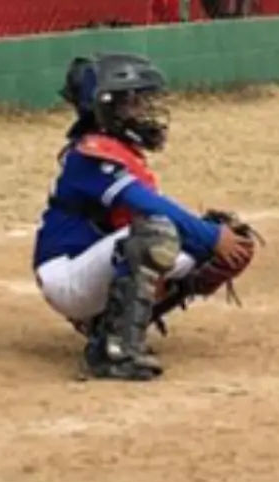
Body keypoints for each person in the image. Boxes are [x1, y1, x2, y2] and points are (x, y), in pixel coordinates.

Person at [31, 53, 260, 381]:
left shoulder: (118, 150)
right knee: (156, 235)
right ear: (106, 107)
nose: (142, 111)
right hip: (66, 274)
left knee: (189, 242)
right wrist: (210, 236)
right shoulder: (90, 155)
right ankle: (113, 352)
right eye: (132, 103)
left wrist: (211, 240)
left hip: (96, 264)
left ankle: (110, 326)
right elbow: (147, 205)